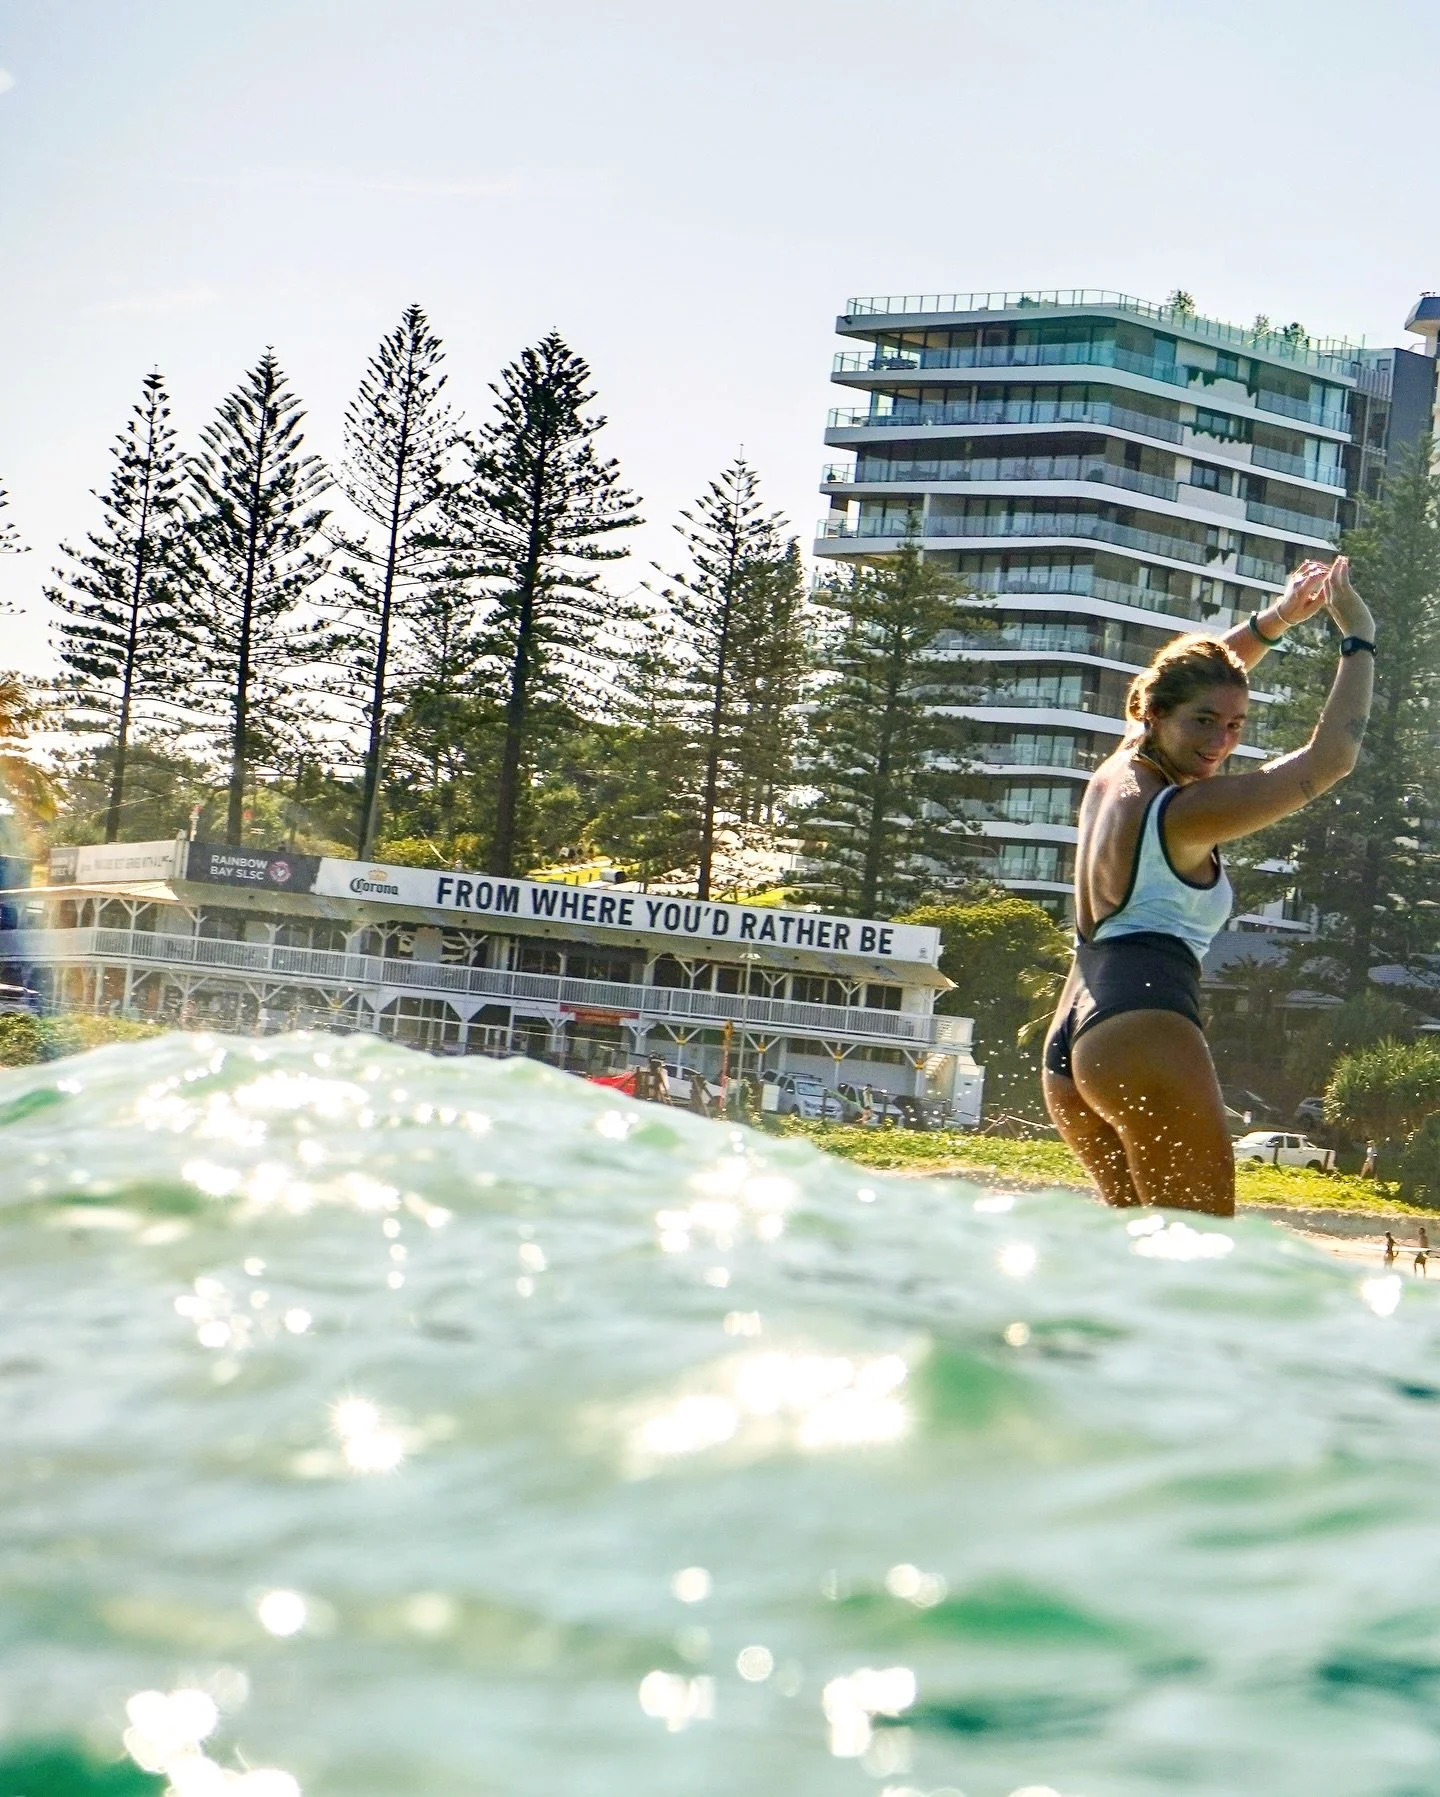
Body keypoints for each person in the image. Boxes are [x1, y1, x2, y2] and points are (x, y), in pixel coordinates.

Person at [1043, 556, 1376, 1216]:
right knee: (1199, 1262)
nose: (1220, 742)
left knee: (1144, 1270)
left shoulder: (1119, 770)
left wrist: (1277, 619)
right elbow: (1332, 758)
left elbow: (1201, 671)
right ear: (1158, 714)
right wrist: (1358, 635)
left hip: (1075, 1049)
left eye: (1235, 726)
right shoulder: (1183, 812)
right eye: (1203, 722)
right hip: (1145, 1032)